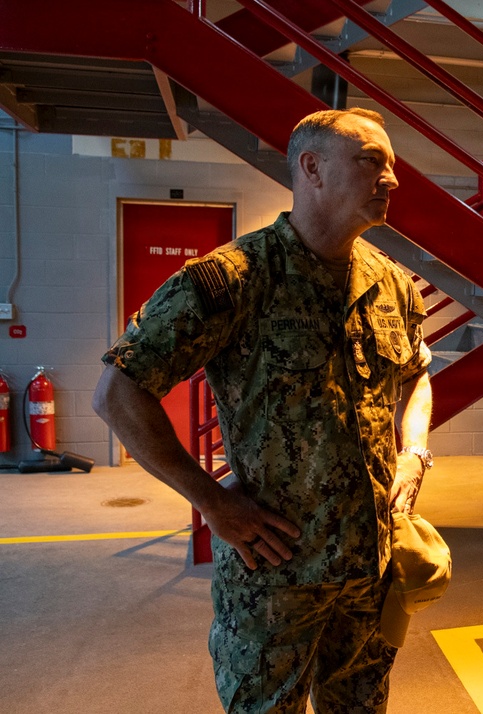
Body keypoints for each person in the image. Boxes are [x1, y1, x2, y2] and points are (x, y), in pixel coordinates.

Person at [92, 107, 435, 713]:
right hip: (275, 576)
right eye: (371, 161)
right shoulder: (233, 280)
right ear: (313, 168)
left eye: (392, 165)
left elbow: (417, 377)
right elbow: (117, 393)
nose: (392, 179)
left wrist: (414, 452)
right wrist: (213, 502)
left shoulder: (393, 285)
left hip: (369, 571)